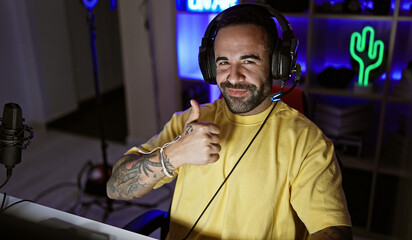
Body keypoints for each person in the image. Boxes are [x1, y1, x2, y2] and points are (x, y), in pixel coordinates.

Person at [107, 4, 352, 239]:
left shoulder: (308, 144)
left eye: (249, 60)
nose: (233, 77)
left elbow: (332, 230)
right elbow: (115, 188)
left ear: (278, 65)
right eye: (223, 62)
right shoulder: (189, 122)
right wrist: (173, 154)